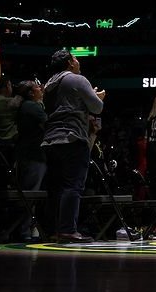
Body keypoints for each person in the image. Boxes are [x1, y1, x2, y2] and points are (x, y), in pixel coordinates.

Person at [41, 49, 105, 243]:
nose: (78, 62)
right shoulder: (77, 79)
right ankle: (68, 230)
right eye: (75, 58)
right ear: (69, 62)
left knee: (56, 187)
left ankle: (54, 229)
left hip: (50, 140)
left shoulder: (49, 84)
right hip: (72, 137)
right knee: (73, 185)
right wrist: (96, 96)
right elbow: (97, 108)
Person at [14, 80, 48, 241]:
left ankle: (26, 230)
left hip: (28, 155)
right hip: (33, 156)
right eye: (37, 88)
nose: (41, 89)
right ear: (30, 93)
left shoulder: (27, 106)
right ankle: (24, 231)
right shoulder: (32, 106)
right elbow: (47, 122)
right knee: (30, 194)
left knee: (30, 193)